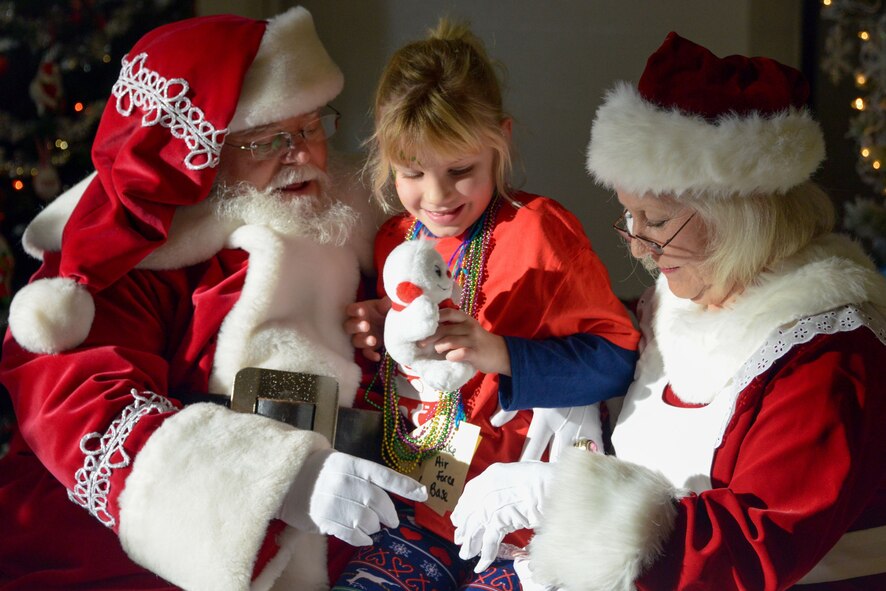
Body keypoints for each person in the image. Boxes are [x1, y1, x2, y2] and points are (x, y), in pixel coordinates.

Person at [0, 8, 428, 590]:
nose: (301, 154)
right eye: (268, 140)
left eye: (310, 128)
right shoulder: (126, 257)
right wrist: (275, 480)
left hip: (351, 518)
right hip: (165, 543)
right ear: (205, 156)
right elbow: (78, 404)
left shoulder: (364, 221)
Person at [451, 32, 886, 590]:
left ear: (738, 216)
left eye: (654, 221)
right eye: (628, 217)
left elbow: (751, 545)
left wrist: (562, 499)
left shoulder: (828, 356)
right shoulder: (676, 304)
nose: (635, 245)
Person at [339, 19, 639, 589]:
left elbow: (616, 362)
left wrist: (500, 354)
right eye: (412, 174)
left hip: (522, 520)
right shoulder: (392, 241)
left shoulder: (540, 235)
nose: (437, 197)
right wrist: (377, 330)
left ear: (500, 141)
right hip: (420, 503)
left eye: (461, 171)